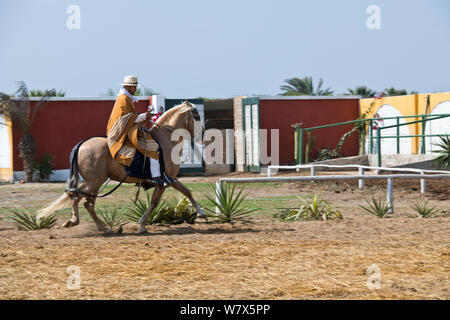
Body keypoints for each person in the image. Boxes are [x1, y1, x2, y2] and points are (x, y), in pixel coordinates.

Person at [106, 75, 164, 186]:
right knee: (153, 147)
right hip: (121, 131)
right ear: (128, 87)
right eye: (134, 87)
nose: (136, 89)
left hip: (126, 129)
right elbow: (125, 119)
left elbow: (129, 117)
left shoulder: (126, 98)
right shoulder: (123, 99)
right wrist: (144, 116)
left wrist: (142, 116)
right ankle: (155, 177)